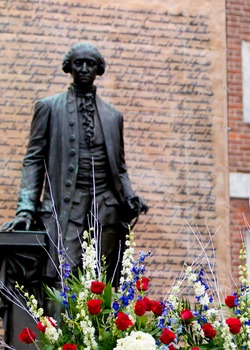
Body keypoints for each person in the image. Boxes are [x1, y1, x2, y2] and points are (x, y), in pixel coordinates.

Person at [2, 42, 148, 285]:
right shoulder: (48, 107)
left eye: (89, 64)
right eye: (77, 63)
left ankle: (102, 323)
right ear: (68, 67)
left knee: (103, 280)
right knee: (62, 276)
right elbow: (34, 160)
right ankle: (57, 324)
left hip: (107, 208)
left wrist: (130, 196)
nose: (83, 68)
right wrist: (26, 208)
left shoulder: (113, 116)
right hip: (65, 206)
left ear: (98, 69)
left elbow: (119, 168)